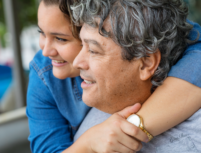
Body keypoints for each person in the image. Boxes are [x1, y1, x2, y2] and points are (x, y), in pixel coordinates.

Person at [27, 0, 201, 152]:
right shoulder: (45, 74)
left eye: (61, 39)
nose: (45, 50)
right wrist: (88, 144)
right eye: (41, 32)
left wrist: (134, 127)